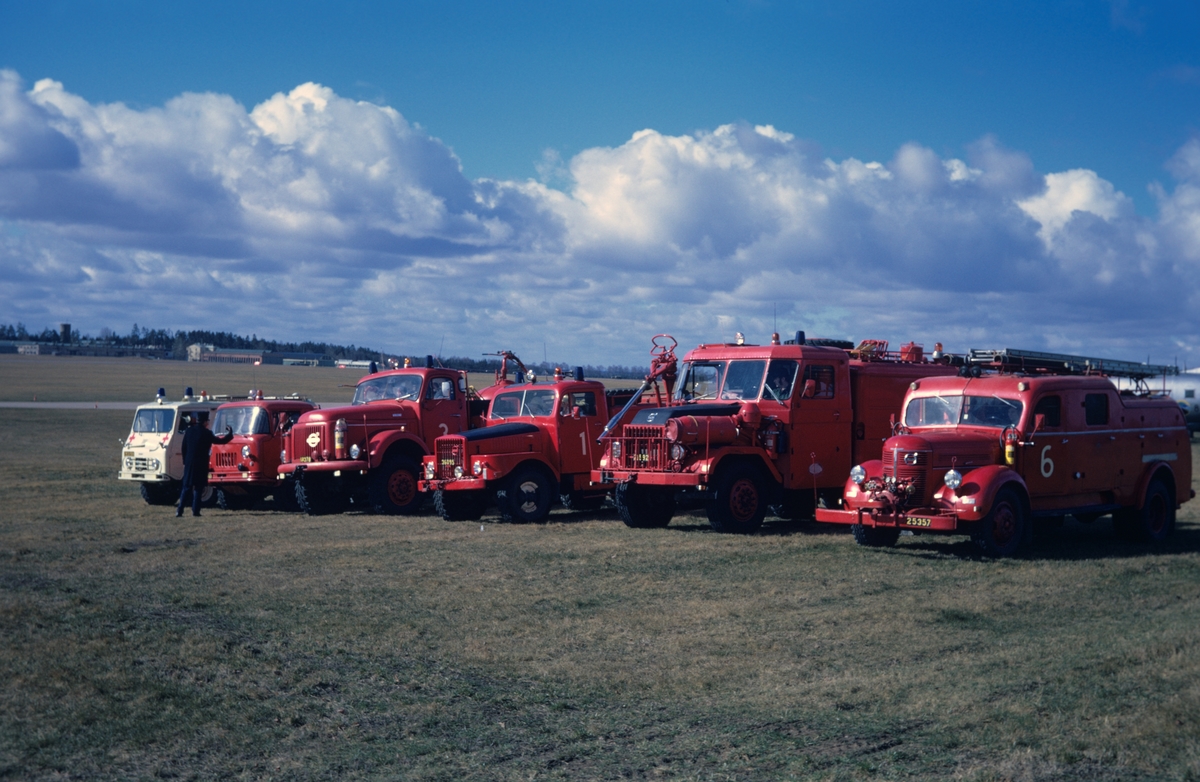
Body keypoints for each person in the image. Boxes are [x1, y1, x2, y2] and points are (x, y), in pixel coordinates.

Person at [175, 411, 233, 517]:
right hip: (201, 464)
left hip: (189, 463)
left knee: (186, 487)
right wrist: (229, 434)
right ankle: (195, 511)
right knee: (198, 488)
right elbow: (220, 441)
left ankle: (179, 510)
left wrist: (185, 461)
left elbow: (184, 447)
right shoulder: (206, 433)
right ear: (205, 422)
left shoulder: (189, 431)